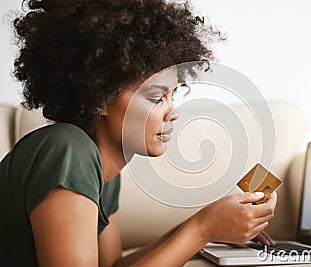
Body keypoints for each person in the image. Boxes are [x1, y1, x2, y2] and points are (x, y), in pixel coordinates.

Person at [0, 0, 277, 266]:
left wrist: (211, 227)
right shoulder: (69, 152)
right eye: (157, 99)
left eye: (173, 96)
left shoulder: (104, 174)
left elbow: (113, 265)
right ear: (100, 99)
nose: (174, 112)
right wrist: (202, 229)